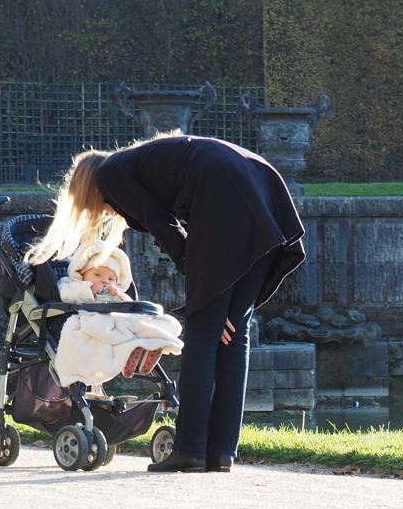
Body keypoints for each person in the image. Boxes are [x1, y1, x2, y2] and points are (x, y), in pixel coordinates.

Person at [27, 135, 306, 473]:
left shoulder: (110, 173)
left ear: (88, 188)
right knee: (234, 333)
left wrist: (204, 282)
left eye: (94, 206)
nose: (104, 212)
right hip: (261, 188)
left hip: (226, 196)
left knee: (204, 332)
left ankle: (190, 450)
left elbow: (163, 224)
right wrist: (209, 282)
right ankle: (221, 451)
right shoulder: (144, 162)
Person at [53, 239, 182, 384]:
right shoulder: (72, 283)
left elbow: (129, 306)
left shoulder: (115, 292)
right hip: (92, 316)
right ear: (82, 274)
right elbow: (64, 293)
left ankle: (152, 343)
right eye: (97, 275)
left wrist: (119, 296)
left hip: (119, 318)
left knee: (157, 323)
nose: (104, 281)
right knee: (100, 327)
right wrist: (88, 289)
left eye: (111, 278)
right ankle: (132, 348)